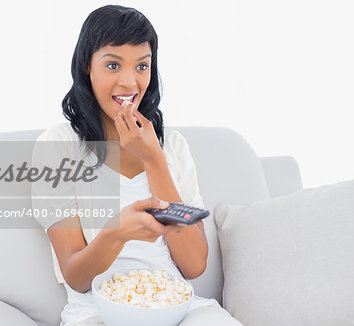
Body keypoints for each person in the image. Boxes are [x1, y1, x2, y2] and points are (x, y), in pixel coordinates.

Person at [32, 4, 243, 326]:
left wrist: (154, 160)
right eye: (113, 65)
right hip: (97, 310)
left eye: (142, 66)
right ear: (87, 67)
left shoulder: (171, 146)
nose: (129, 83)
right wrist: (116, 234)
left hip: (173, 301)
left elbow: (193, 264)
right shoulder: (58, 146)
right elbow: (76, 276)